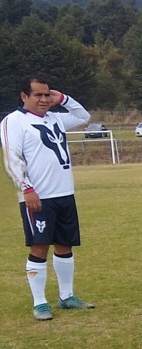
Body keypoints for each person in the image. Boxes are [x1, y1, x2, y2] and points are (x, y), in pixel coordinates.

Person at [1, 77, 96, 320]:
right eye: (38, 95)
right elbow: (12, 158)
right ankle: (40, 302)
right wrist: (26, 188)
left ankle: (67, 296)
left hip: (64, 193)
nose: (44, 100)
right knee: (40, 246)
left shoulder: (55, 118)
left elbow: (83, 116)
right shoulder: (14, 121)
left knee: (65, 245)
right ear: (24, 96)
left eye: (46, 95)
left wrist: (63, 98)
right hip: (38, 196)